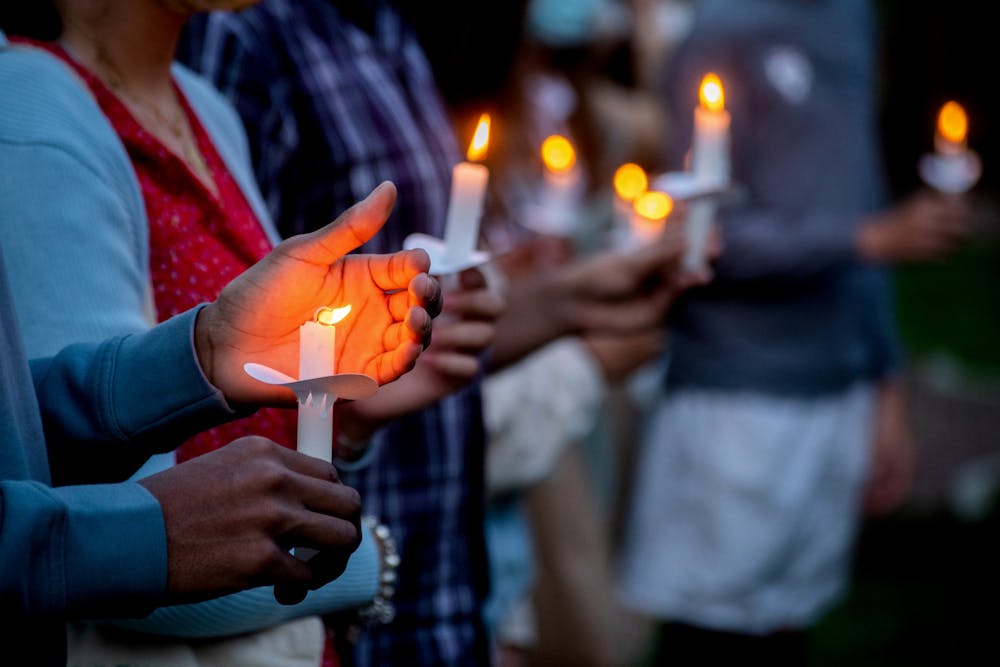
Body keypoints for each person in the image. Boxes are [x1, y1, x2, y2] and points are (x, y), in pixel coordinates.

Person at [180, 2, 690, 664]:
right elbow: (217, 331)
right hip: (333, 571)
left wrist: (571, 299)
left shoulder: (390, 26)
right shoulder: (245, 36)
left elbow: (433, 312)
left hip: (436, 559)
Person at [0, 2, 477, 664]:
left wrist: (335, 412)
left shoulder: (203, 105)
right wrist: (371, 556)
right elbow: (104, 521)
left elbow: (41, 422)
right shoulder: (32, 110)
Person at [617, 0, 972, 664]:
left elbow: (859, 194)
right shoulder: (720, 32)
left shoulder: (853, 17)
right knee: (714, 635)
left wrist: (885, 384)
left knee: (788, 629)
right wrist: (864, 239)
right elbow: (698, 235)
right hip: (739, 391)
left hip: (836, 382)